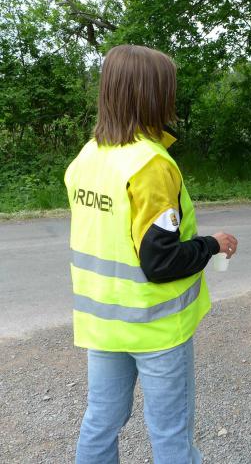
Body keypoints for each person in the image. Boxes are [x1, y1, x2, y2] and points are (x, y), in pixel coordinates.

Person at [65, 45, 238, 464]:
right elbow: (160, 262)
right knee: (171, 434)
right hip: (155, 327)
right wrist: (213, 244)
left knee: (101, 422)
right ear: (153, 95)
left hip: (104, 324)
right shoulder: (151, 165)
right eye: (168, 89)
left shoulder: (89, 155)